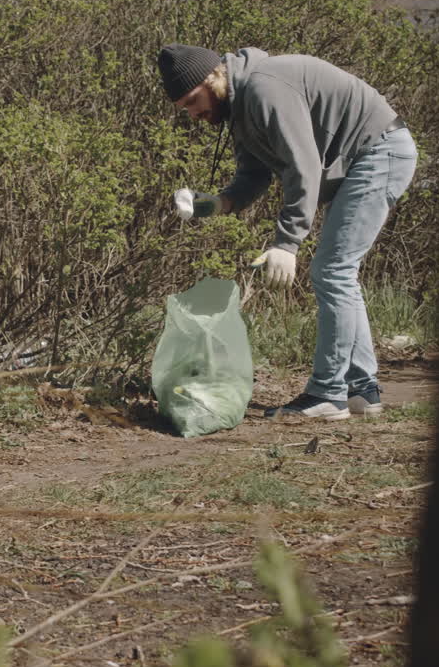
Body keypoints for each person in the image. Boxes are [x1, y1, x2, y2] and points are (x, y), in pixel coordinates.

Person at [157, 44, 417, 421]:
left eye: (193, 101)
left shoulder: (264, 89)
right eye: (184, 108)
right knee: (338, 271)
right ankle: (361, 389)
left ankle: (327, 394)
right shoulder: (240, 106)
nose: (193, 114)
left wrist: (287, 243)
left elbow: (303, 166)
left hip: (378, 151)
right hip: (364, 157)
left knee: (333, 271)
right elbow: (255, 172)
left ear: (212, 77)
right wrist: (218, 203)